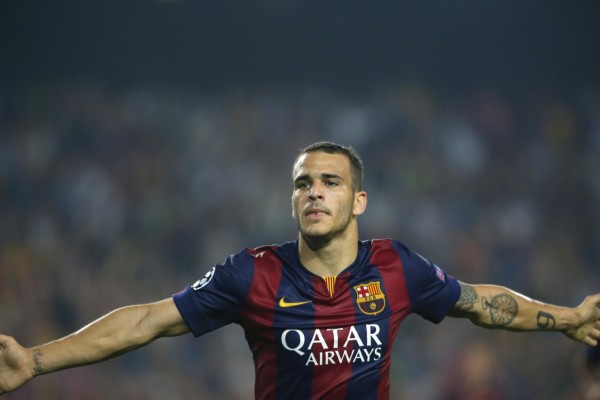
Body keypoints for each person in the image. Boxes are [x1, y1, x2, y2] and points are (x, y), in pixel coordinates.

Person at [0, 141, 599, 399]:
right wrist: (35, 360)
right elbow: (146, 322)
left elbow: (479, 303)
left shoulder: (396, 266)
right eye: (302, 183)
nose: (314, 192)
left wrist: (569, 317)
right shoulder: (251, 274)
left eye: (330, 182)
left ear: (358, 200)